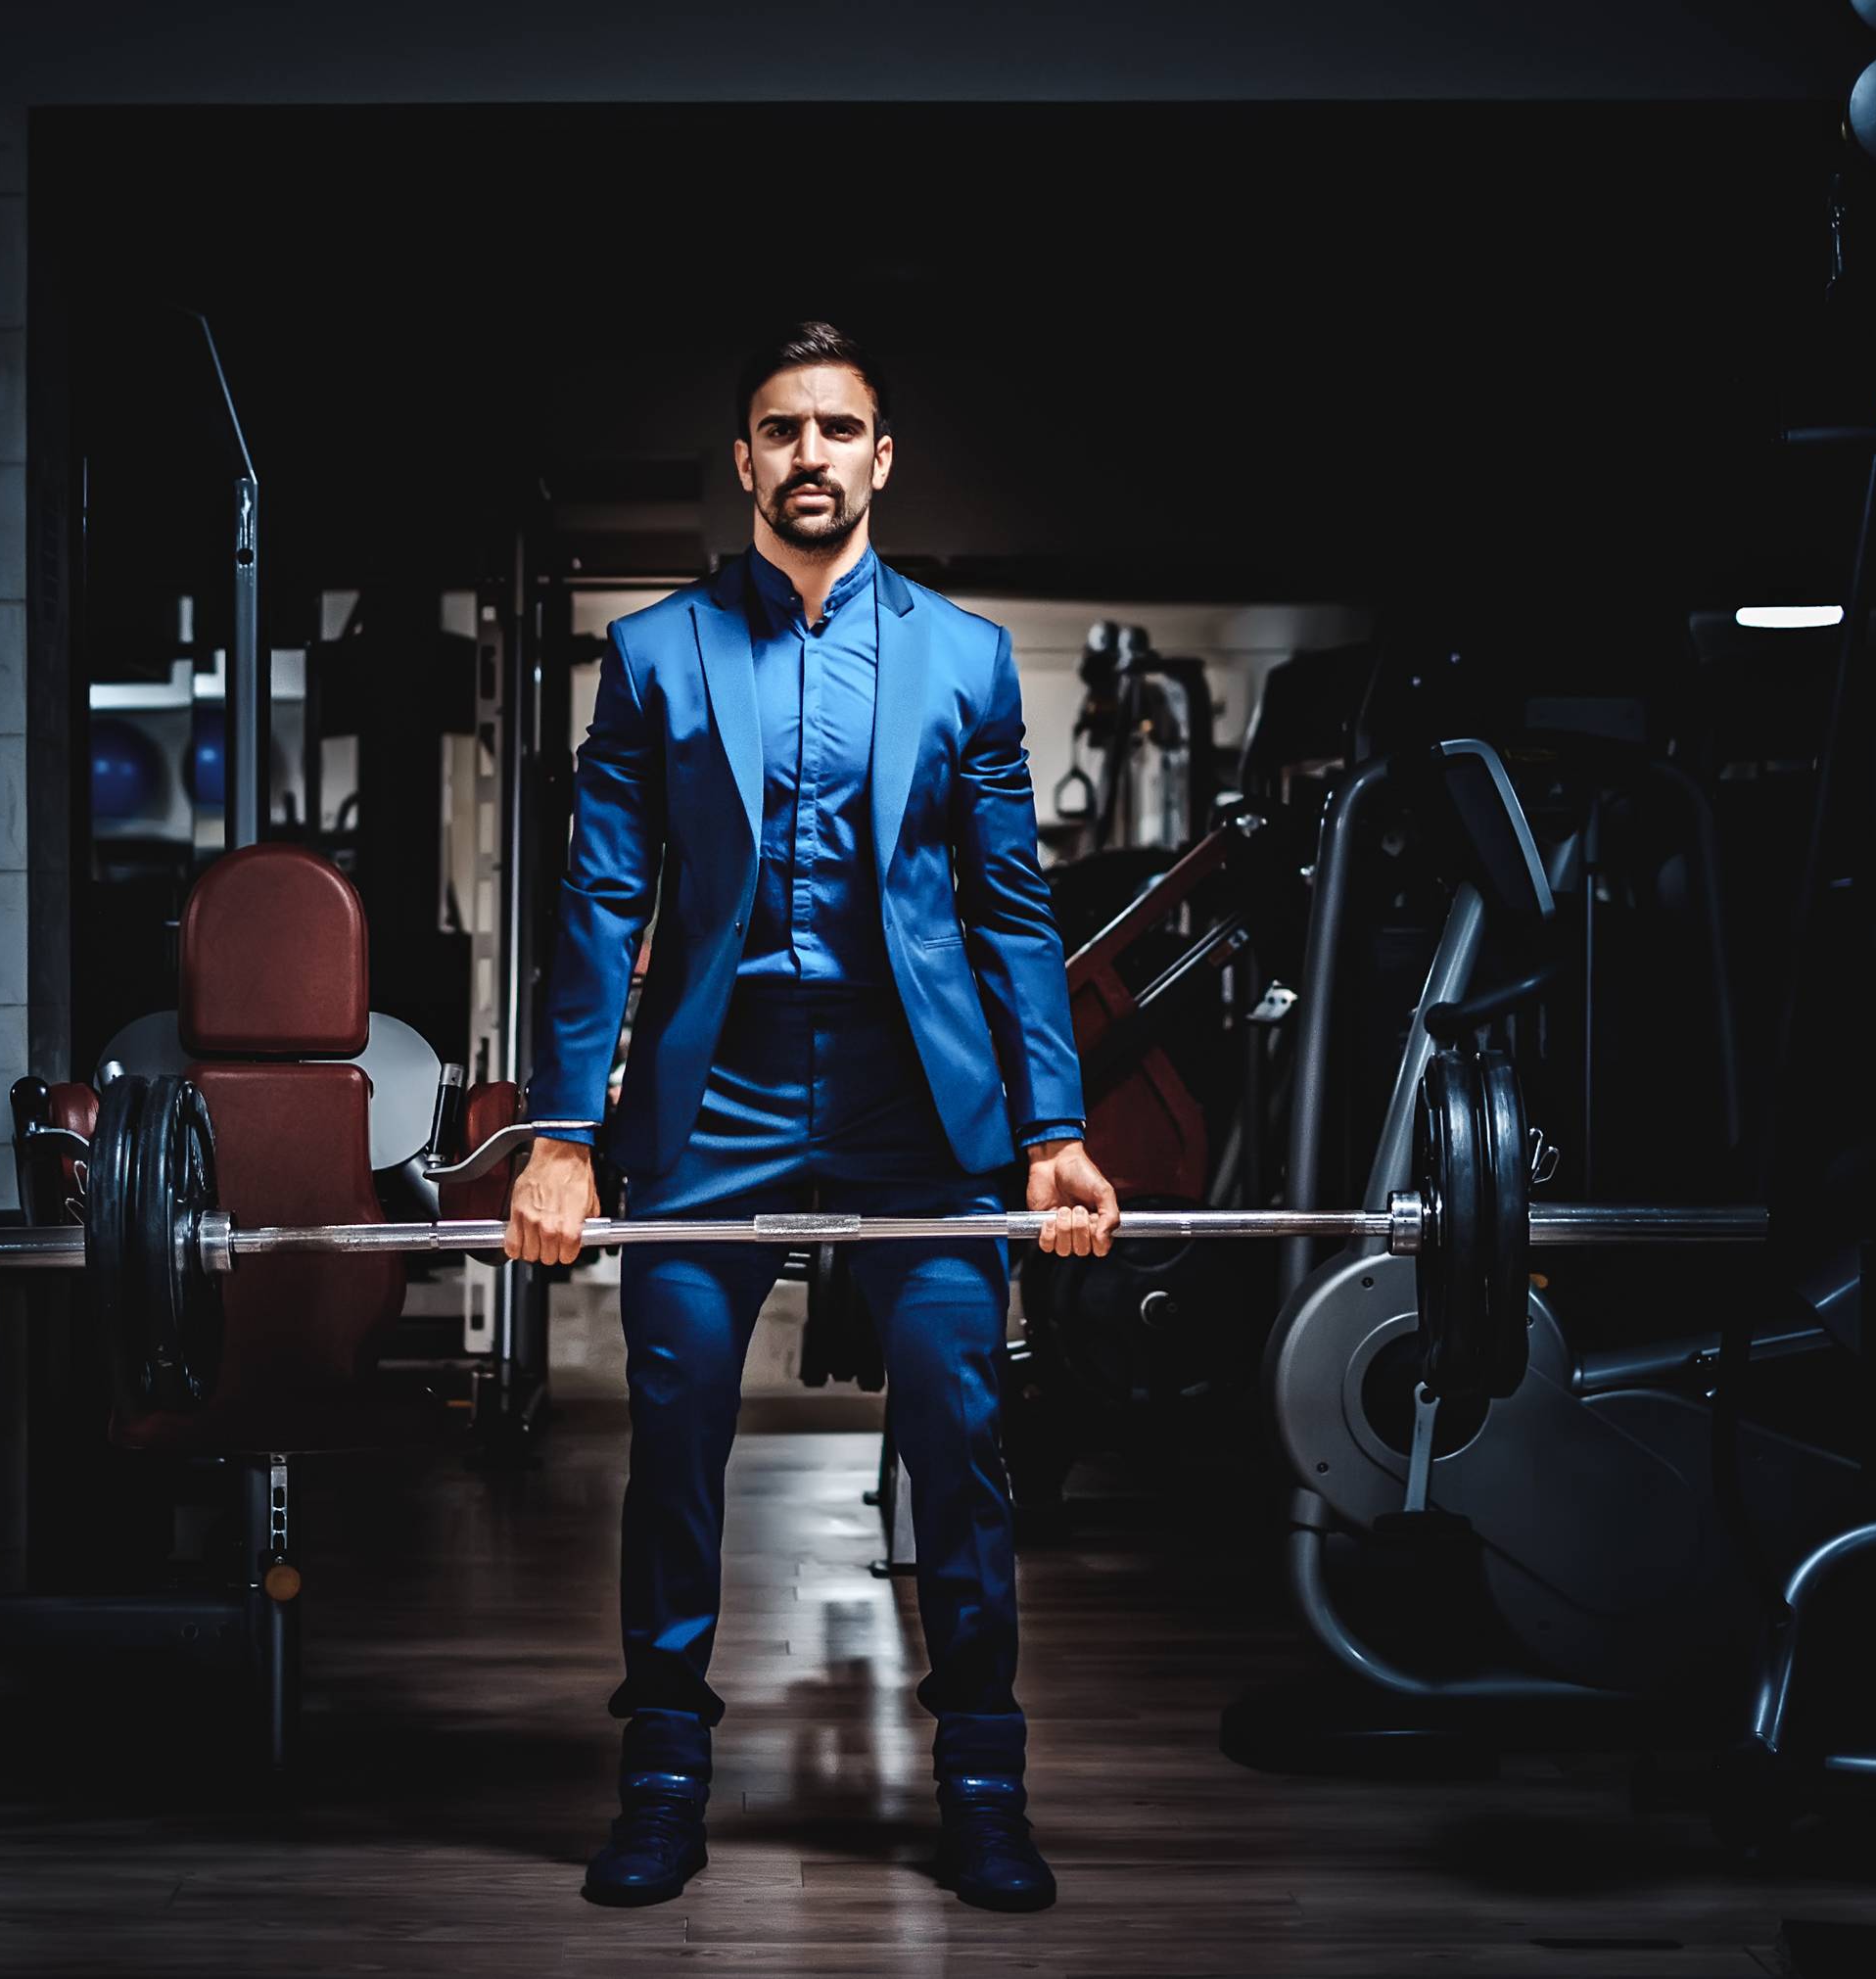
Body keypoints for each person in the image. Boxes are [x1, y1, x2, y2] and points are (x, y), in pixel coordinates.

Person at [510, 321, 1118, 1912]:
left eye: (838, 429)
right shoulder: (656, 653)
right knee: (675, 1435)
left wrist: (1052, 1128)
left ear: (881, 458)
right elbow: (601, 900)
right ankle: (662, 1774)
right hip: (716, 1092)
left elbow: (1010, 910)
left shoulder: (965, 658)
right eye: (782, 429)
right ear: (745, 459)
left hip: (916, 1096)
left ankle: (982, 1779)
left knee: (960, 1433)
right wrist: (562, 1135)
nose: (810, 456)